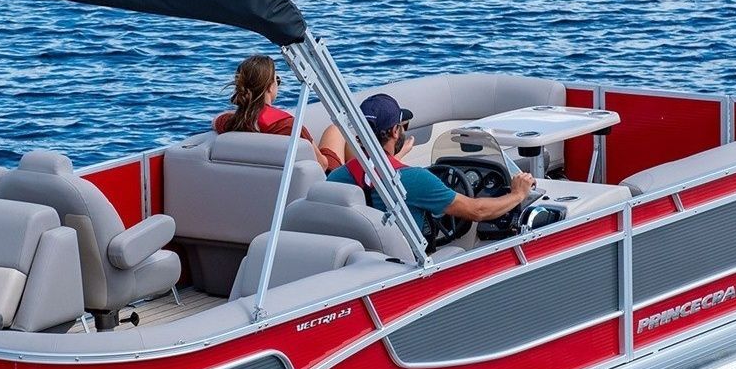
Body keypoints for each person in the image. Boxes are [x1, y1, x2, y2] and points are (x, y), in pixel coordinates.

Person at [327, 92, 535, 241]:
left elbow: (372, 178)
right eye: (402, 125)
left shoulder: (337, 177)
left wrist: (397, 157)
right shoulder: (414, 180)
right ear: (394, 131)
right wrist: (517, 194)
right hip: (408, 267)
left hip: (365, 258)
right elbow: (477, 211)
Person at [214, 54, 346, 171]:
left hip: (261, 183)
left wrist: (244, 111)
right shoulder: (288, 126)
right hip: (320, 180)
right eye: (277, 80)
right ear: (270, 87)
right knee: (337, 130)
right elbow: (321, 165)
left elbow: (216, 119)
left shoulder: (230, 123)